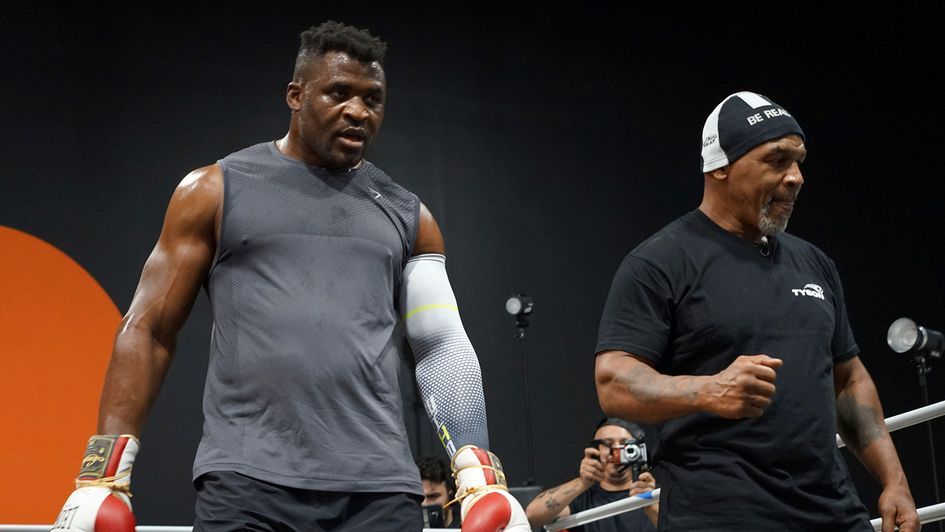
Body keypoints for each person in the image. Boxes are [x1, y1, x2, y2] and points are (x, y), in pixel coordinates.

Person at [51, 20, 529, 532]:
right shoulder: (213, 190)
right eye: (339, 93)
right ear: (296, 95)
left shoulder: (411, 216)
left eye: (373, 99)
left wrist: (478, 474)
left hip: (379, 489)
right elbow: (149, 327)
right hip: (248, 482)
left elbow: (439, 345)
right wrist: (103, 474)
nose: (358, 112)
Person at [594, 91, 920, 531]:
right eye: (776, 160)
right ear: (720, 166)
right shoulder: (659, 262)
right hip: (721, 513)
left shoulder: (814, 263)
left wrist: (893, 480)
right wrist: (708, 391)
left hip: (831, 509)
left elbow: (849, 381)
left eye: (799, 160)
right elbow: (614, 381)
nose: (796, 177)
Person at [526, 417, 658, 531]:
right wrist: (582, 482)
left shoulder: (656, 493)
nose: (616, 450)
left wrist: (650, 506)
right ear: (594, 450)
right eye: (607, 443)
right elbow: (533, 515)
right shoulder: (583, 497)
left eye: (625, 444)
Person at [417, 455, 461, 528]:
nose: (425, 504)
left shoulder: (468, 526)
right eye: (419, 498)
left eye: (433, 496)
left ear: (450, 493)